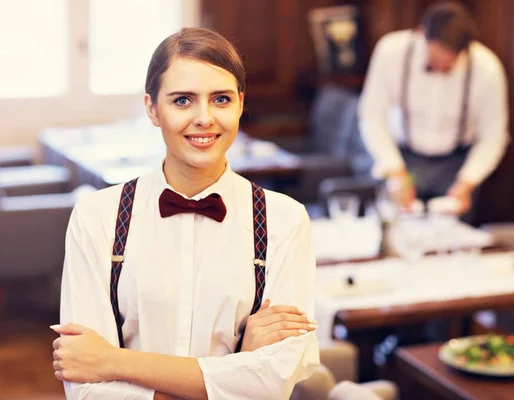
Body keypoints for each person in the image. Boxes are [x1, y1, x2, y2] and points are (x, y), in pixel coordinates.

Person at [50, 27, 319, 400]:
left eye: (221, 99)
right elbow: (85, 385)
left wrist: (113, 360)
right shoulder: (97, 217)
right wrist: (241, 363)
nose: (204, 118)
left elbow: (274, 381)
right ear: (151, 108)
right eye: (182, 100)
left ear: (241, 104)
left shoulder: (286, 220)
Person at [358, 1, 509, 221]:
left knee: (452, 243)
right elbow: (371, 116)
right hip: (404, 158)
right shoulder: (391, 52)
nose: (440, 68)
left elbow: (493, 136)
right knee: (395, 232)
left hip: (456, 165)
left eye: (448, 64)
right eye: (435, 59)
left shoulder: (487, 69)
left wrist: (467, 181)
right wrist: (395, 171)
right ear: (421, 34)